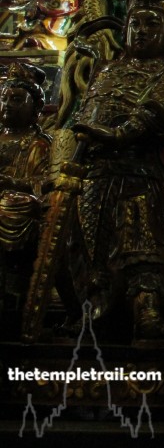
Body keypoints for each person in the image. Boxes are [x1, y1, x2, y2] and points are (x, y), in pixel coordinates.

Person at [64, 0, 164, 339]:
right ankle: (93, 309)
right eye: (136, 23)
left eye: (153, 24)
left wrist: (113, 133)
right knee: (89, 245)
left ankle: (146, 308)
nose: (142, 31)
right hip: (95, 172)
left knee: (141, 242)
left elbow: (149, 120)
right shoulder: (107, 71)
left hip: (138, 172)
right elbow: (84, 116)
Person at [0, 63, 50, 331]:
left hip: (17, 203)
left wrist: (13, 182)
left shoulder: (38, 143)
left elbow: (42, 182)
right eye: (4, 98)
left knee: (13, 205)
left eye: (17, 99)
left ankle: (12, 295)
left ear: (36, 108)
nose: (8, 104)